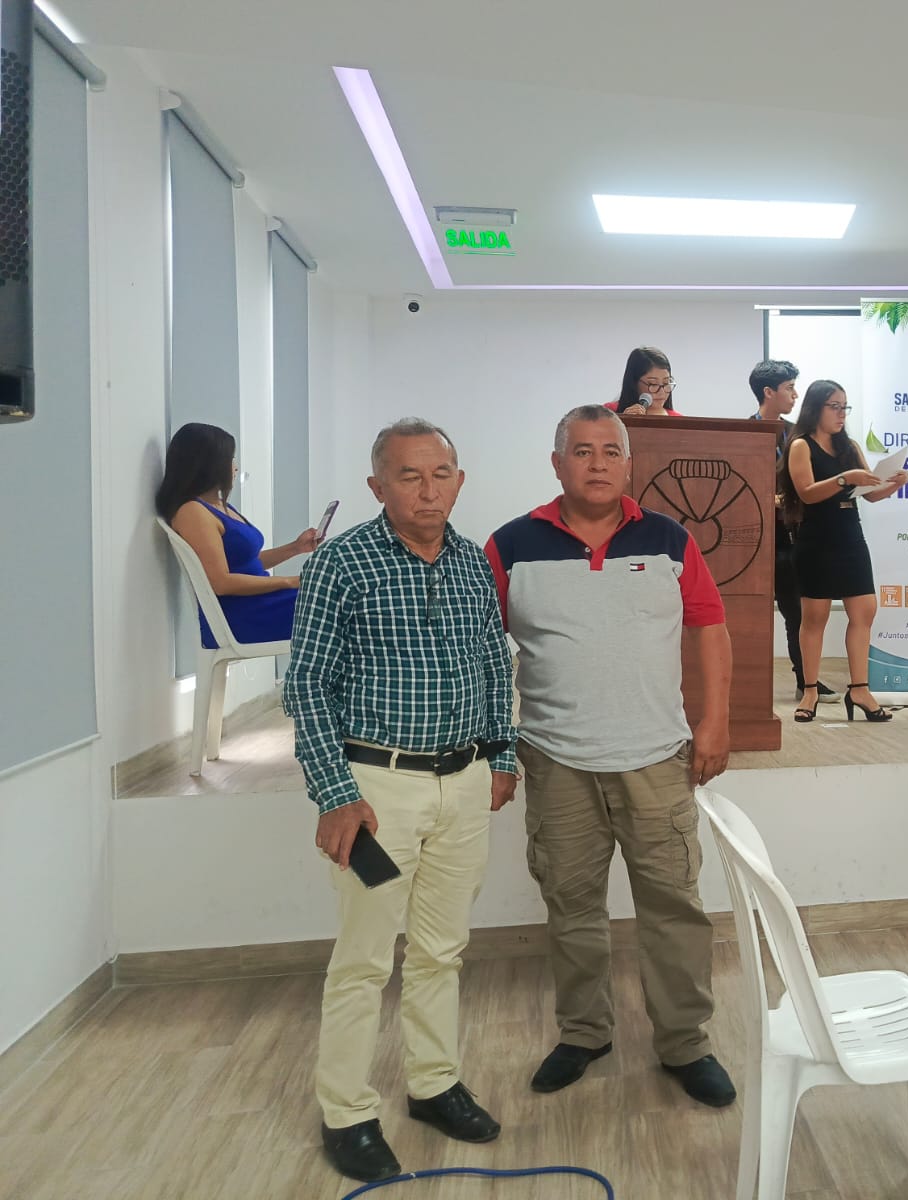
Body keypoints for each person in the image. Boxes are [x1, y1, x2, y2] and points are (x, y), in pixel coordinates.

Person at [283, 418, 518, 1184]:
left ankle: (433, 1084)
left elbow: (493, 661)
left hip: (463, 788)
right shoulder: (342, 563)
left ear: (459, 479)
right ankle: (347, 1113)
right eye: (409, 476)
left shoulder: (472, 562)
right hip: (376, 796)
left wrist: (502, 755)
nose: (427, 490)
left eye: (440, 473)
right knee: (363, 957)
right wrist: (335, 794)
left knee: (441, 949)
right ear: (377, 486)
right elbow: (306, 684)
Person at [484, 405, 737, 1109]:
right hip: (555, 760)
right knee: (571, 904)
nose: (597, 463)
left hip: (656, 758)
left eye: (610, 451)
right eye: (581, 450)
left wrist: (715, 721)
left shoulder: (669, 539)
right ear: (556, 463)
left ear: (629, 464)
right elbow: (480, 651)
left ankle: (685, 1042)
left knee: (673, 905)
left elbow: (710, 626)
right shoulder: (511, 546)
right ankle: (584, 1032)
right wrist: (498, 746)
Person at [777, 380, 908, 722]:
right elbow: (806, 493)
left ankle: (860, 689)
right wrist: (844, 479)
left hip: (850, 535)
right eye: (834, 407)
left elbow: (871, 493)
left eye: (844, 407)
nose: (841, 414)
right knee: (814, 618)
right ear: (815, 408)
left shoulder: (849, 446)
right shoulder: (801, 445)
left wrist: (892, 484)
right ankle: (809, 691)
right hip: (816, 537)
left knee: (864, 611)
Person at [156, 422, 314, 647]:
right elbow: (221, 582)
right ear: (210, 465)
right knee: (345, 604)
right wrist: (290, 582)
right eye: (230, 459)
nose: (235, 467)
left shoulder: (219, 506)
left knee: (349, 601)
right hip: (245, 614)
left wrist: (295, 548)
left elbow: (246, 563)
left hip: (264, 604)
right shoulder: (193, 512)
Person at [749, 359, 837, 705]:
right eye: (789, 388)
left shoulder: (797, 434)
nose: (795, 395)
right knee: (757, 615)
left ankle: (806, 681)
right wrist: (768, 498)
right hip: (760, 540)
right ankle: (749, 685)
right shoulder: (743, 434)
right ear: (768, 392)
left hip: (798, 536)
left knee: (798, 613)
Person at [608, 345, 683, 416]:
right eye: (653, 384)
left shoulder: (679, 420)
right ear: (634, 382)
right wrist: (626, 420)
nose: (662, 392)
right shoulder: (609, 413)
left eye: (666, 383)